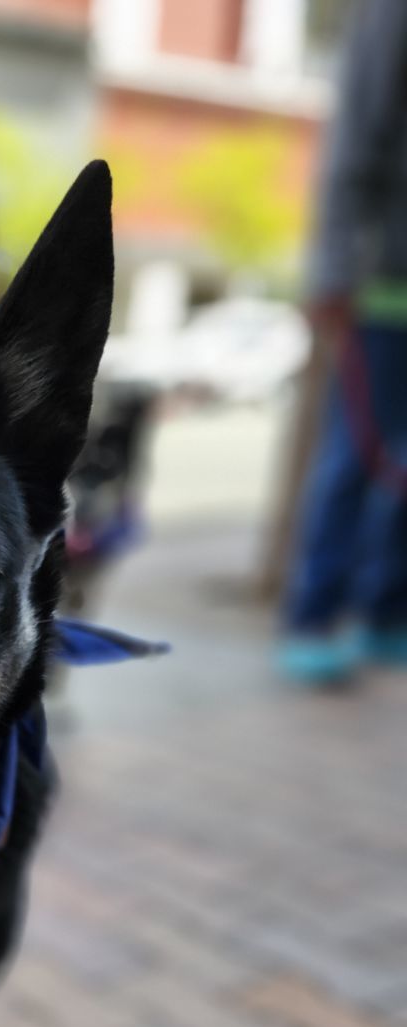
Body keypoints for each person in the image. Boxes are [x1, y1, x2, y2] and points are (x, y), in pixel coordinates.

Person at [278, 0, 407, 685]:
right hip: (380, 285)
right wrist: (334, 269)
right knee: (356, 458)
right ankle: (314, 616)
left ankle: (387, 613)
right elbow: (355, 137)